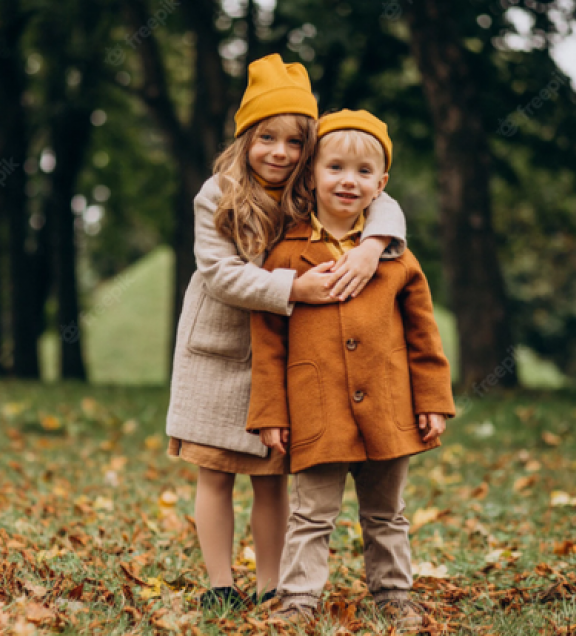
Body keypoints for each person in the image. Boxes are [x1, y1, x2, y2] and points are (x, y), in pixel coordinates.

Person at [165, 55, 409, 610]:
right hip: (219, 348)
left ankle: (272, 585)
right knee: (215, 472)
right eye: (266, 137)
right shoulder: (217, 192)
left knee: (271, 473)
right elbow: (220, 273)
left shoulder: (311, 187)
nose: (279, 152)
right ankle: (219, 584)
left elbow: (382, 198)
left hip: (288, 350)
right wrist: (294, 289)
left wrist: (372, 246)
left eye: (295, 142)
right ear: (246, 137)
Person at [247, 109, 455, 631]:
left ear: (381, 185)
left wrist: (432, 400)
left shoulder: (397, 259)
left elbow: (423, 336)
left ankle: (393, 593)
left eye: (364, 173)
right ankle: (297, 599)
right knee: (312, 514)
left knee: (387, 513)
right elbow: (268, 343)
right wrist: (271, 410)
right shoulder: (285, 255)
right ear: (311, 173)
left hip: (388, 406)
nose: (348, 181)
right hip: (317, 410)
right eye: (335, 167)